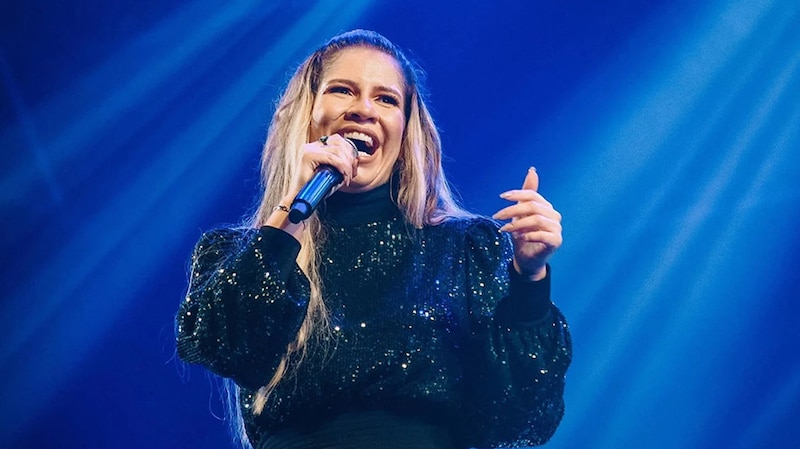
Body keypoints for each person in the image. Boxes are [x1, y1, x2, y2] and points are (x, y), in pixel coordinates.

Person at [176, 29, 571, 449]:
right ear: (306, 114)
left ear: (405, 130)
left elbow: (522, 420)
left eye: (385, 99)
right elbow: (226, 346)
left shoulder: (464, 250)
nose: (363, 109)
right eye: (343, 90)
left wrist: (529, 280)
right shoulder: (240, 254)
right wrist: (291, 211)